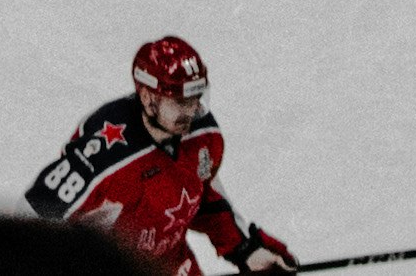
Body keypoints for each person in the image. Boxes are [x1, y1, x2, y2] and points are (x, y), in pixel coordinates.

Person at [25, 36, 294, 266]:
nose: (192, 111)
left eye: (196, 99)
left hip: (171, 264)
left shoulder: (203, 136)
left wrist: (245, 250)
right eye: (180, 102)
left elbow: (201, 196)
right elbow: (33, 216)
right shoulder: (105, 156)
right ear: (148, 99)